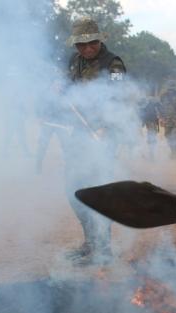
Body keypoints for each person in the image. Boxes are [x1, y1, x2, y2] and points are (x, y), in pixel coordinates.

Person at [63, 16, 126, 266]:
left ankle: (104, 249)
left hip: (105, 136)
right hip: (79, 134)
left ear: (99, 40)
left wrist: (105, 126)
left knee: (99, 190)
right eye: (81, 44)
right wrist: (60, 87)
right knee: (73, 189)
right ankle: (90, 242)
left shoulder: (114, 64)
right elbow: (70, 90)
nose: (87, 48)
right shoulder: (74, 62)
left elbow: (119, 98)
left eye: (91, 43)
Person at [158, 81, 176, 158]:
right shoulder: (163, 96)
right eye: (169, 89)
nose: (170, 90)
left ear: (174, 88)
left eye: (172, 88)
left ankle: (174, 152)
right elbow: (160, 108)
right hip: (167, 120)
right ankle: (172, 149)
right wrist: (160, 117)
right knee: (167, 135)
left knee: (175, 136)